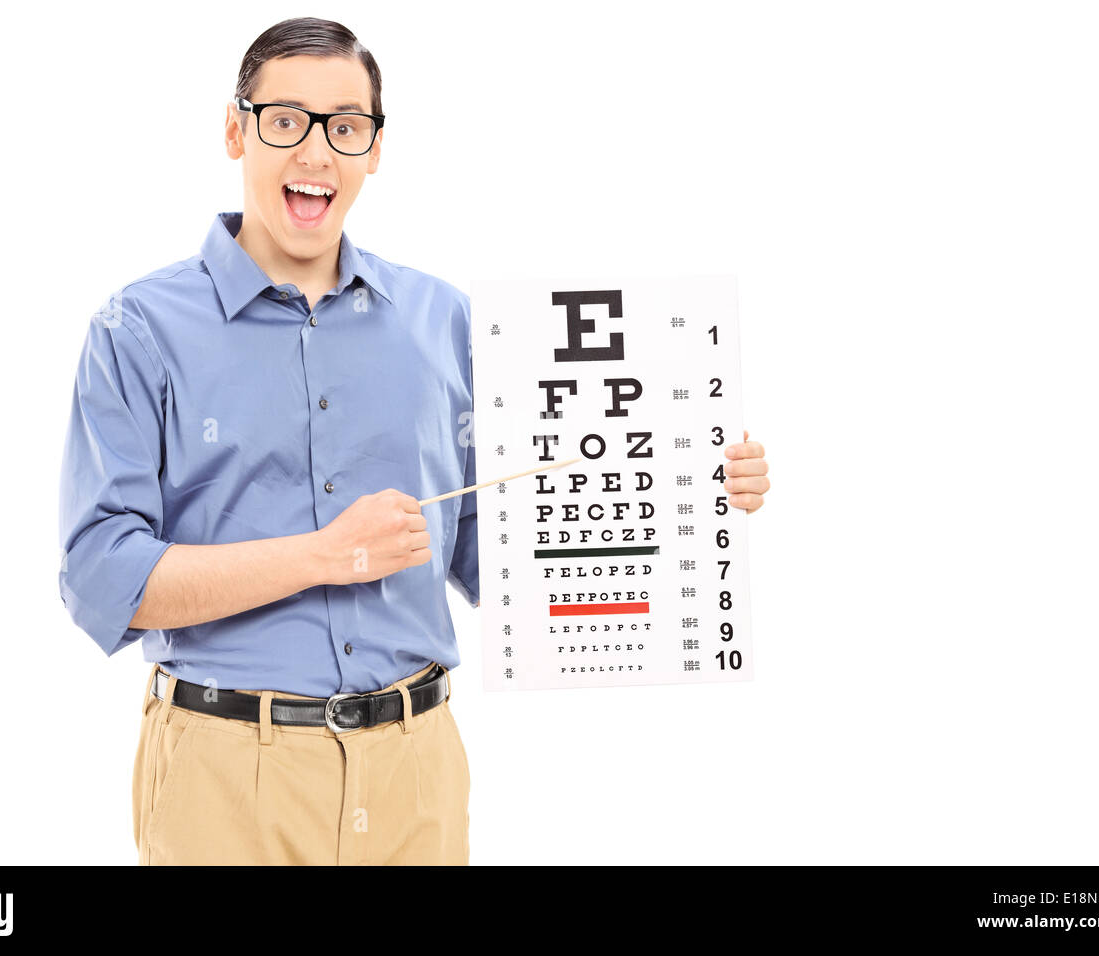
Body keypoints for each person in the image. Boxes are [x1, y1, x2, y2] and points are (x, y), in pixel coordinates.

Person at [58, 16, 771, 867]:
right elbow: (103, 579)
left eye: (346, 127)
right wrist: (325, 555)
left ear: (375, 149)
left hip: (416, 775)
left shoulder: (445, 323)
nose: (316, 152)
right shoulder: (137, 329)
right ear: (234, 129)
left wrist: (691, 496)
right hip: (223, 775)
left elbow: (498, 556)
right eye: (286, 120)